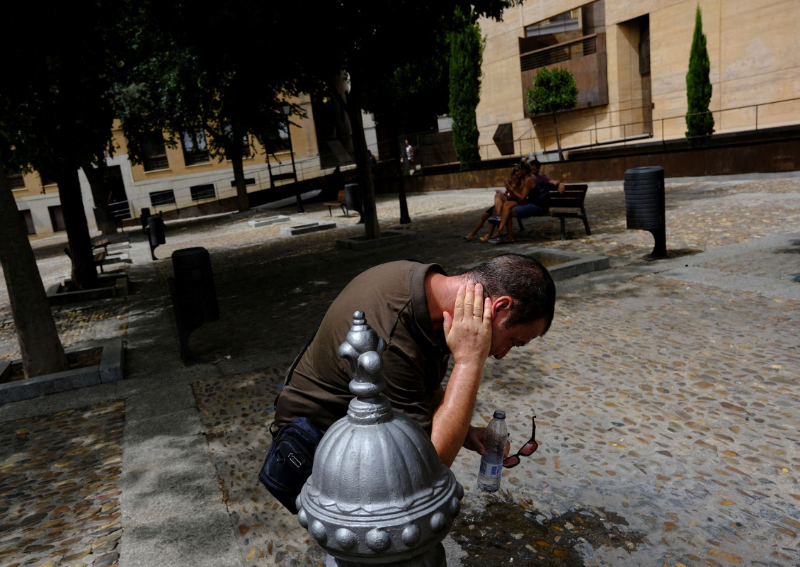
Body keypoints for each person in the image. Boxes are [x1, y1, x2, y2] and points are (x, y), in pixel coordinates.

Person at [272, 255, 555, 482]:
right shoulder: (391, 336)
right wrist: (469, 361)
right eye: (514, 342)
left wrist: (464, 431)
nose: (502, 355)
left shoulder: (425, 288)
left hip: (359, 432)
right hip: (314, 448)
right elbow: (429, 467)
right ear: (501, 307)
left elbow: (419, 383)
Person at [488, 159, 566, 244]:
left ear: (524, 171)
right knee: (506, 207)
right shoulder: (527, 178)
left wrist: (512, 189)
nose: (517, 173)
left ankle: (502, 233)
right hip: (531, 203)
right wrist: (511, 187)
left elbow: (522, 197)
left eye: (518, 171)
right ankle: (504, 234)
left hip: (536, 206)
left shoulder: (529, 180)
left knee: (507, 212)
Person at [464, 162, 530, 242]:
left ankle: (489, 234)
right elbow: (507, 195)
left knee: (495, 210)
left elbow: (519, 197)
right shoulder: (514, 184)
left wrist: (512, 188)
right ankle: (473, 234)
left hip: (512, 203)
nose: (513, 181)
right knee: (486, 214)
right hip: (506, 203)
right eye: (512, 179)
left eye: (515, 179)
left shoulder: (523, 183)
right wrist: (507, 190)